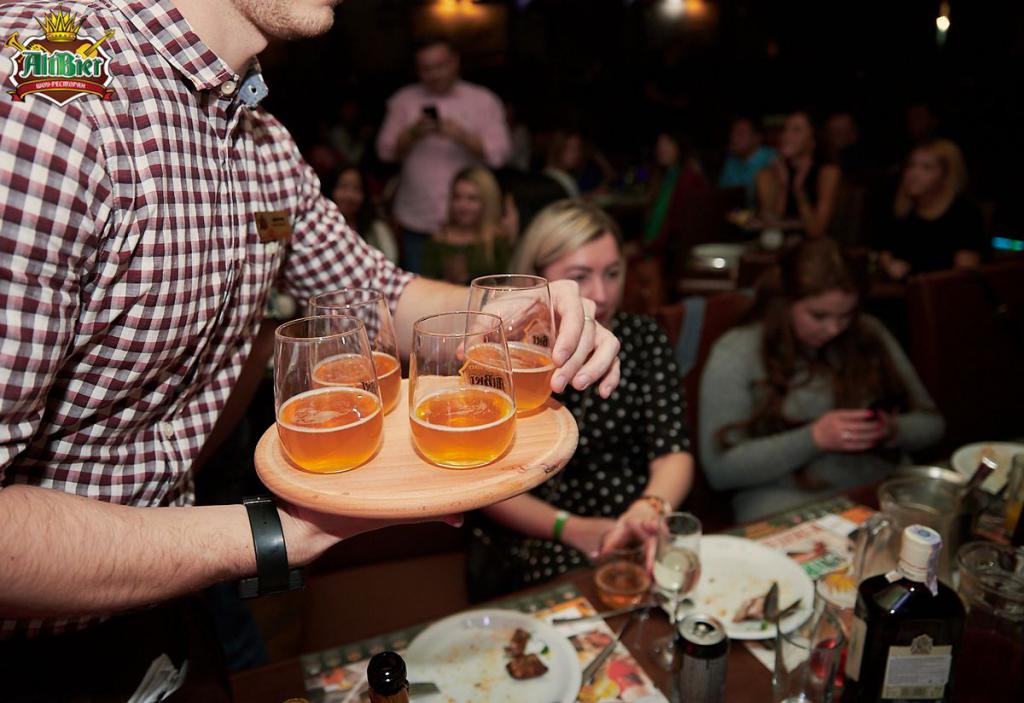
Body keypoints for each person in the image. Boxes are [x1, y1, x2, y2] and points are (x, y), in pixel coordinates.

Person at [0, 1, 620, 698]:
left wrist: (512, 311)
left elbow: (380, 295)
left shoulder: (260, 141)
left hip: (158, 597)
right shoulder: (49, 95)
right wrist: (281, 534)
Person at [467, 200, 694, 601]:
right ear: (540, 278)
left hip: (630, 522)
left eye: (612, 273)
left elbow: (673, 452)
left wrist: (648, 509)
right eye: (580, 277)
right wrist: (569, 528)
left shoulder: (643, 338)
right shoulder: (503, 349)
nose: (601, 294)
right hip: (537, 530)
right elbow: (481, 477)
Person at [699, 240, 944, 522]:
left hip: (879, 486)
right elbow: (721, 470)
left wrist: (892, 430)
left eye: (846, 316)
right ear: (785, 303)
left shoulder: (868, 332)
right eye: (819, 316)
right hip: (786, 498)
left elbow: (933, 424)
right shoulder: (737, 352)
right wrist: (814, 438)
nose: (834, 329)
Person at [376, 36, 511, 274]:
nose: (434, 74)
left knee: (481, 289)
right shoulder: (403, 101)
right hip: (418, 219)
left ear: (455, 62)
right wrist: (412, 133)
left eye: (440, 66)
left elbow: (500, 155)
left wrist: (463, 137)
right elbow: (384, 153)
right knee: (418, 290)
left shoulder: (483, 100)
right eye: (426, 68)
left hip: (473, 224)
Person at [879, 139, 987, 279]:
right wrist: (889, 265)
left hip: (942, 290)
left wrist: (914, 278)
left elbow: (965, 276)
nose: (913, 175)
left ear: (946, 175)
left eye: (927, 168)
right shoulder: (904, 210)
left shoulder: (964, 213)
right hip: (900, 290)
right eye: (911, 165)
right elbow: (885, 253)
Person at [756, 111, 841, 238]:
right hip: (779, 242)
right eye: (785, 129)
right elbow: (772, 225)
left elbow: (816, 231)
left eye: (796, 130)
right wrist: (783, 186)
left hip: (814, 243)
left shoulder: (828, 172)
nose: (786, 136)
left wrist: (799, 190)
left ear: (813, 139)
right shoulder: (769, 173)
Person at [423, 167, 514, 285]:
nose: (463, 206)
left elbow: (506, 284)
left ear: (487, 202)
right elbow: (426, 283)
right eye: (457, 197)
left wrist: (467, 279)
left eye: (472, 199)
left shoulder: (497, 240)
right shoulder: (438, 240)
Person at [643, 130, 711, 257]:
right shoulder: (664, 177)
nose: (661, 148)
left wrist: (646, 249)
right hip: (654, 248)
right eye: (659, 143)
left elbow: (678, 228)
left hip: (670, 254)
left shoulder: (689, 178)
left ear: (680, 146)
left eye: (667, 143)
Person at [327, 166, 399, 264]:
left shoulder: (377, 230)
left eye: (356, 189)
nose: (349, 195)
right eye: (343, 187)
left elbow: (389, 261)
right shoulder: (318, 227)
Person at [718, 116, 776, 206]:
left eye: (740, 133)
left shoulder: (772, 158)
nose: (733, 137)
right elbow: (722, 195)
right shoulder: (731, 162)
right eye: (733, 132)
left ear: (757, 138)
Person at [542, 130, 584, 198]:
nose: (577, 154)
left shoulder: (554, 173)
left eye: (578, 148)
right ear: (558, 149)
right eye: (572, 149)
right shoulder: (557, 179)